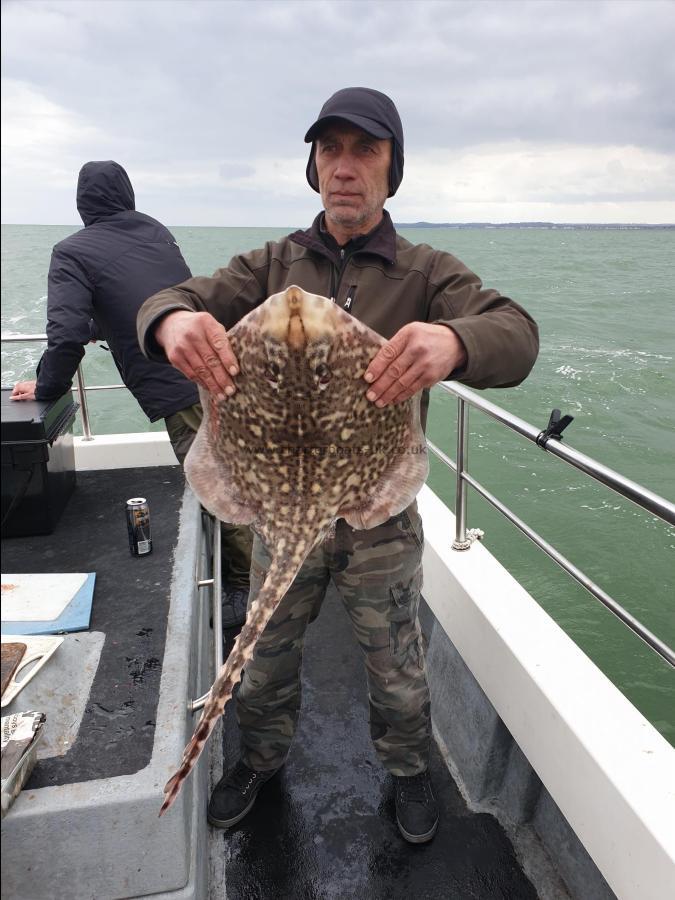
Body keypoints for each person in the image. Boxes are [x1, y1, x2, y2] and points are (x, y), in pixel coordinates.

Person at [137, 88, 539, 843]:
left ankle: (410, 772)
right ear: (312, 167)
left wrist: (456, 343)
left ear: (392, 171)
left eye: (365, 150)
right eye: (329, 150)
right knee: (261, 656)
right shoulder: (269, 264)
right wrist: (172, 321)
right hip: (279, 502)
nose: (344, 168)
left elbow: (515, 334)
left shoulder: (425, 273)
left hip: (375, 514)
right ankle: (258, 756)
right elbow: (171, 297)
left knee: (396, 665)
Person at [10, 160, 252, 625]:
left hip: (180, 387)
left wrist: (45, 386)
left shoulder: (72, 252)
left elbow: (66, 336)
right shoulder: (155, 232)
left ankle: (242, 590)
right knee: (235, 474)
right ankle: (249, 573)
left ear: (83, 203)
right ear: (128, 195)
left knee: (223, 488)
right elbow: (141, 297)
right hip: (222, 369)